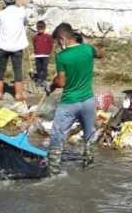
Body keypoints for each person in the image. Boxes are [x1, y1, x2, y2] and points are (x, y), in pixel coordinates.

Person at [47, 23, 105, 175]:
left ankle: (52, 172)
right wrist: (89, 42)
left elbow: (61, 82)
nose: (59, 45)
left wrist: (52, 83)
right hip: (88, 101)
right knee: (90, 135)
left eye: (58, 41)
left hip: (69, 103)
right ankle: (89, 168)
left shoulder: (62, 57)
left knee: (57, 136)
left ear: (62, 38)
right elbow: (101, 53)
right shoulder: (87, 49)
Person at [0, 0, 29, 101]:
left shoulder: (0, 14)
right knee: (17, 70)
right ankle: (18, 94)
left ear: (5, 2)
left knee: (0, 70)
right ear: (14, 1)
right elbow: (26, 22)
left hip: (3, 45)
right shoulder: (21, 12)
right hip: (17, 46)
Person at [31, 20, 53, 87]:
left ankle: (44, 80)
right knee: (38, 68)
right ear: (37, 29)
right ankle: (39, 79)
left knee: (44, 68)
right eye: (39, 29)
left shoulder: (48, 36)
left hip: (45, 55)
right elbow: (34, 44)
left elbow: (50, 45)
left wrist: (49, 52)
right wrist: (35, 52)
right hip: (38, 55)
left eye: (42, 29)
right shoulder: (35, 37)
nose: (40, 30)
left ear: (44, 28)